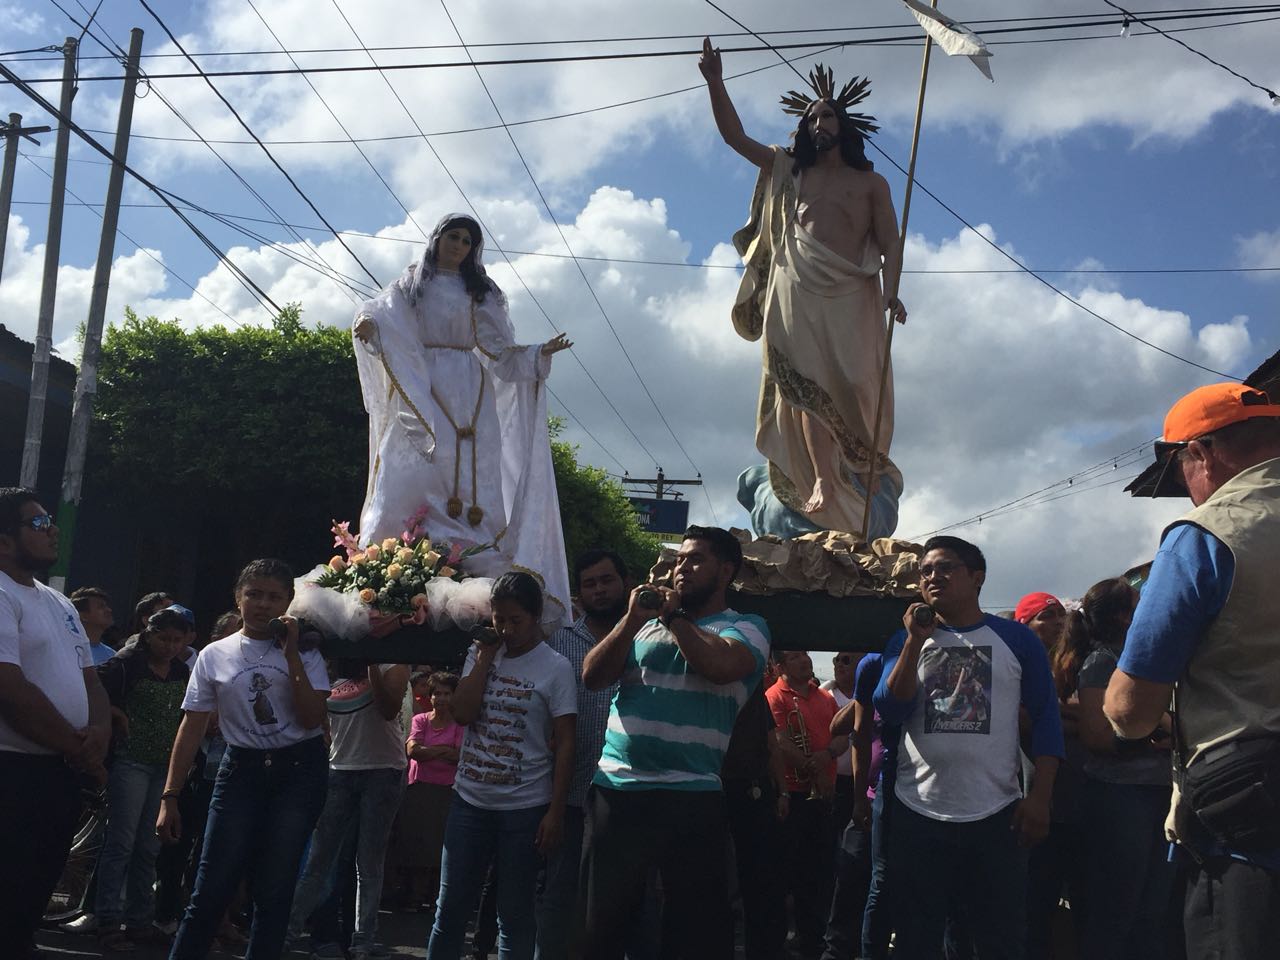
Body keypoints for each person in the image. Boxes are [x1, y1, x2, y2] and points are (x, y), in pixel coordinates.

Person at [700, 39, 906, 536]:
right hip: (796, 285)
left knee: (855, 383)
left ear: (845, 126)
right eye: (813, 119)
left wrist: (891, 291)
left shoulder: (871, 184)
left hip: (855, 291)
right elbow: (735, 138)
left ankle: (851, 470)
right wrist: (715, 82)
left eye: (829, 117)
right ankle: (822, 482)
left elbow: (890, 242)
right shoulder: (790, 170)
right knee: (806, 385)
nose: (820, 125)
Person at [1105, 383, 1280, 959]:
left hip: (1249, 830)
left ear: (1200, 455)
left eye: (1182, 474)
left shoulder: (1208, 535)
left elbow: (1130, 712)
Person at [352, 213, 574, 628]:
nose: (458, 246)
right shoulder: (412, 283)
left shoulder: (482, 291)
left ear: (474, 249)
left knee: (472, 469)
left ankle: (470, 549)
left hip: (470, 388)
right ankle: (399, 545)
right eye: (452, 237)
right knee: (415, 464)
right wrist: (369, 327)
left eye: (466, 241)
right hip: (420, 380)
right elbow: (381, 315)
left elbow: (499, 352)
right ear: (437, 239)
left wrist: (537, 354)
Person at [580, 526, 771, 959]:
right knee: (600, 928)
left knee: (692, 932)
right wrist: (630, 620)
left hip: (691, 793)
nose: (682, 568)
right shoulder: (642, 627)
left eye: (696, 560)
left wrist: (674, 619)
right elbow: (593, 676)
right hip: (618, 789)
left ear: (726, 571)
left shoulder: (746, 627)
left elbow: (720, 666)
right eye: (680, 559)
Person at [875, 536, 1063, 960]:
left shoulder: (1016, 640)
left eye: (944, 568)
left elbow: (1047, 720)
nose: (932, 577)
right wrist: (912, 643)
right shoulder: (904, 641)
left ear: (976, 578)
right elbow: (890, 707)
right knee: (916, 938)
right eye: (925, 572)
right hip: (917, 811)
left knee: (999, 938)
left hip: (996, 816)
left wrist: (1041, 798)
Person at [157, 559, 331, 959]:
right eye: (253, 594)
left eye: (274, 597)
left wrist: (291, 656)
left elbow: (310, 718)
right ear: (238, 598)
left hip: (298, 772)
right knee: (211, 886)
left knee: (274, 890)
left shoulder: (307, 650)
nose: (262, 604)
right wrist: (170, 796)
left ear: (289, 601)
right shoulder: (214, 655)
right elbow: (191, 726)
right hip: (240, 771)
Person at [426, 572, 577, 960]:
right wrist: (484, 660)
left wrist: (555, 812)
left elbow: (566, 743)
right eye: (499, 620)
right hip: (469, 803)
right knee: (451, 909)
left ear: (536, 616)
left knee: (514, 914)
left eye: (516, 621)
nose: (506, 629)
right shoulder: (479, 657)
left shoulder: (556, 667)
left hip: (524, 808)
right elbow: (461, 713)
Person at [0, 488, 112, 952]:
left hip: (57, 775)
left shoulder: (59, 602)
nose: (53, 530)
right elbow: (9, 687)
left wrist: (99, 735)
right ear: (5, 541)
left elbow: (91, 681)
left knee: (31, 901)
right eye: (40, 523)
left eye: (51, 521)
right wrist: (77, 745)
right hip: (11, 773)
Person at [1050, 578, 1175, 960]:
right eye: (1139, 603)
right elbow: (1097, 734)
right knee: (1117, 908)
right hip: (1120, 798)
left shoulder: (1146, 657)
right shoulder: (1103, 661)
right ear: (1124, 616)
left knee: (1153, 908)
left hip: (1157, 795)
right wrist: (1155, 729)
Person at [537, 548, 630, 960]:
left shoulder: (646, 638)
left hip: (628, 796)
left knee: (624, 900)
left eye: (607, 580)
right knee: (560, 894)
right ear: (578, 593)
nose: (599, 590)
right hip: (570, 795)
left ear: (625, 583)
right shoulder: (559, 642)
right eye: (590, 583)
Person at [288, 658, 411, 959]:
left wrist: (371, 666)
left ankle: (363, 942)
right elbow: (318, 719)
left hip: (383, 772)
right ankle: (286, 934)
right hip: (340, 770)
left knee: (368, 863)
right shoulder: (328, 665)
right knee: (319, 861)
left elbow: (388, 709)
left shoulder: (392, 666)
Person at [94, 607, 192, 950]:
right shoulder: (125, 666)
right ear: (148, 635)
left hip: (164, 769)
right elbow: (93, 689)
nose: (169, 646)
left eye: (176, 640)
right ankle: (107, 918)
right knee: (120, 843)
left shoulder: (182, 672)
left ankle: (139, 919)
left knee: (149, 847)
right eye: (163, 638)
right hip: (131, 762)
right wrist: (113, 712)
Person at [1016, 591, 1086, 960]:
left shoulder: (1070, 665)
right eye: (1046, 616)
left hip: (1071, 800)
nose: (1058, 622)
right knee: (1033, 898)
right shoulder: (1018, 665)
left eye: (1060, 614)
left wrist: (1068, 716)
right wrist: (1077, 719)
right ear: (1024, 623)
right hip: (1030, 796)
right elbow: (1025, 719)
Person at [766, 650, 846, 957]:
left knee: (822, 870)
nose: (806, 661)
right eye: (797, 657)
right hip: (795, 795)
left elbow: (841, 735)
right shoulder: (774, 696)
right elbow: (780, 741)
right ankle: (792, 937)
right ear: (781, 665)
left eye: (806, 655)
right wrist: (815, 770)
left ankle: (815, 938)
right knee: (792, 871)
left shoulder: (824, 697)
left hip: (823, 795)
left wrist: (826, 757)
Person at [823, 651, 889, 960]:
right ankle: (837, 951)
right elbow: (839, 726)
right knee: (849, 879)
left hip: (903, 803)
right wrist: (866, 685)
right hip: (866, 798)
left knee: (884, 888)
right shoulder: (870, 687)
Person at [722, 680, 789, 960]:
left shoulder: (752, 691)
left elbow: (771, 742)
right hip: (716, 791)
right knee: (722, 884)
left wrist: (782, 790)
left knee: (760, 883)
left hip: (753, 792)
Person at [388, 671, 462, 912]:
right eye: (436, 693)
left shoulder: (461, 724)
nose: (441, 698)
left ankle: (433, 897)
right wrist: (443, 751)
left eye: (446, 693)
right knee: (414, 842)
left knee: (439, 846)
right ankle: (411, 895)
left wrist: (430, 750)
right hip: (419, 789)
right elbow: (413, 750)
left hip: (447, 791)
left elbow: (459, 756)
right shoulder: (420, 720)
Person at [71, 587, 118, 665]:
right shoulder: (70, 651)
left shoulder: (112, 655)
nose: (109, 610)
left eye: (106, 606)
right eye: (101, 607)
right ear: (83, 616)